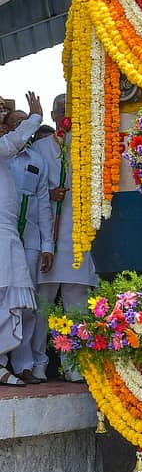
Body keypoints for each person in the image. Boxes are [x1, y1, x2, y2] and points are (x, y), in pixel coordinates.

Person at [34, 94, 98, 380]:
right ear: (52, 114)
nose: (65, 115)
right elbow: (28, 191)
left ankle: (74, 366)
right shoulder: (39, 148)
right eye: (61, 110)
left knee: (77, 302)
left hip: (77, 235)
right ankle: (37, 364)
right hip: (46, 235)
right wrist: (48, 194)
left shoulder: (85, 147)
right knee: (41, 306)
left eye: (70, 110)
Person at [6, 109, 54, 383]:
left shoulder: (37, 159)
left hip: (31, 240)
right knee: (4, 300)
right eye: (14, 124)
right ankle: (2, 363)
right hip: (4, 236)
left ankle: (24, 365)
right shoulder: (3, 156)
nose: (19, 128)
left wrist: (47, 244)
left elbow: (44, 203)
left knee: (29, 303)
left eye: (24, 124)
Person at [0, 91, 43, 386]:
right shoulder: (5, 145)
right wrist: (36, 117)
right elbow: (13, 142)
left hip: (8, 232)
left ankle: (2, 362)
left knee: (8, 295)